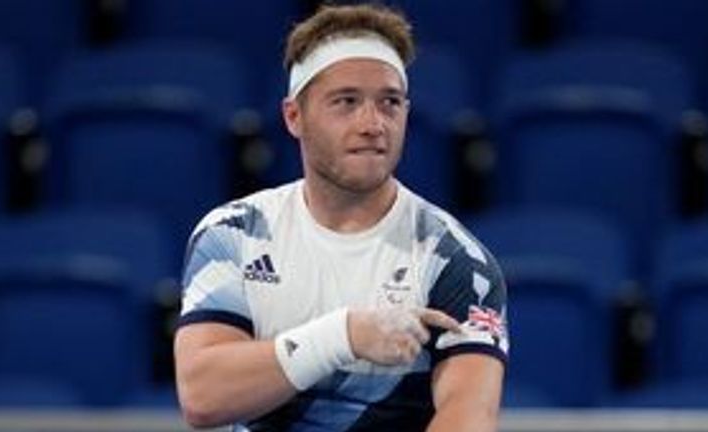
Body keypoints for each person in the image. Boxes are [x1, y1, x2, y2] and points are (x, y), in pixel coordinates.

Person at [174, 3, 508, 431]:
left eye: (389, 102)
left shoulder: (456, 261)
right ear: (294, 117)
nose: (373, 123)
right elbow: (203, 397)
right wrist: (345, 335)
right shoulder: (234, 234)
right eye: (346, 102)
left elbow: (469, 418)